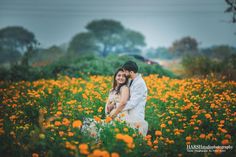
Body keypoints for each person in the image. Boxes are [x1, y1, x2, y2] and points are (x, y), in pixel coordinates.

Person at [120, 60, 148, 136]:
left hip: (136, 114)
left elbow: (133, 102)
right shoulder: (131, 81)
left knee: (137, 136)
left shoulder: (140, 83)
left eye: (125, 72)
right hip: (130, 113)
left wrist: (118, 108)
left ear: (131, 72)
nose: (124, 74)